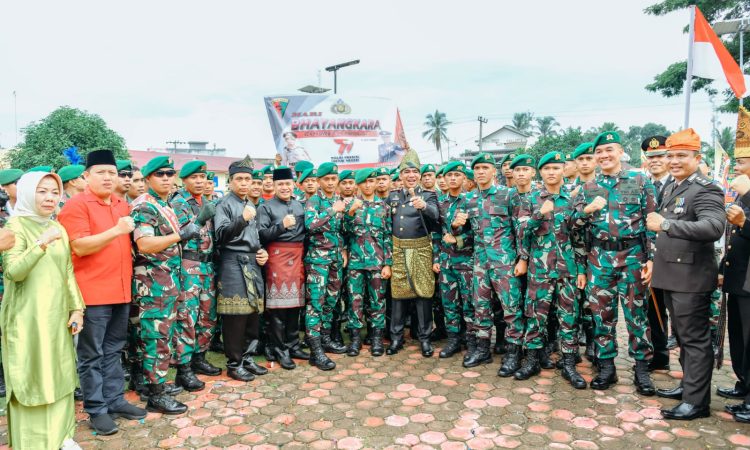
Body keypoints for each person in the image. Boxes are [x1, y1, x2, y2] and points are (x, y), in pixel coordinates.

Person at [58, 149, 147, 436]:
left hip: (121, 291)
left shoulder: (122, 204)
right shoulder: (76, 206)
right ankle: (96, 409)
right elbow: (79, 246)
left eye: (113, 172)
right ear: (86, 176)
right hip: (92, 294)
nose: (108, 178)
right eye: (101, 172)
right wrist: (116, 230)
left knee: (113, 350)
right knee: (91, 354)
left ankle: (115, 400)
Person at [1, 171, 85, 450]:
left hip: (56, 315)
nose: (50, 198)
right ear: (27, 193)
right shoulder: (16, 226)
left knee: (60, 372)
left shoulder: (57, 227)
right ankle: (33, 442)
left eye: (54, 191)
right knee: (32, 374)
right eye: (42, 191)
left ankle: (62, 435)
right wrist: (41, 243)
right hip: (27, 317)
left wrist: (76, 308)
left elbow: (68, 272)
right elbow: (14, 272)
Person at [647, 128, 726, 420]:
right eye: (671, 155)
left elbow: (712, 228)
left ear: (697, 157)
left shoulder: (705, 188)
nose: (674, 161)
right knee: (682, 337)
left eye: (681, 155)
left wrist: (666, 225)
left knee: (694, 341)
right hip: (671, 276)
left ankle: (697, 403)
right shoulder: (673, 185)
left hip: (691, 279)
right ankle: (689, 387)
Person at [579, 131, 656, 395]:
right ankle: (607, 367)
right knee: (602, 315)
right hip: (600, 259)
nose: (604, 156)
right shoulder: (588, 187)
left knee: (637, 315)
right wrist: (583, 212)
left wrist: (652, 259)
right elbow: (574, 225)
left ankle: (642, 369)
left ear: (621, 151)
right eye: (599, 152)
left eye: (609, 150)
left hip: (633, 257)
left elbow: (651, 221)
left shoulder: (638, 180)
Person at [516, 151, 587, 387]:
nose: (552, 172)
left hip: (567, 268)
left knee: (569, 317)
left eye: (556, 168)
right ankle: (532, 360)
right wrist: (539, 214)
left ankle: (568, 364)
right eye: (547, 169)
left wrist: (581, 270)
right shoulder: (531, 199)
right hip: (540, 269)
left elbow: (579, 237)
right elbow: (522, 232)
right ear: (541, 172)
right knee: (535, 316)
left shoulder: (573, 199)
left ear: (563, 170)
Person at [131, 155, 195, 414]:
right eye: (160, 174)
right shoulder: (145, 206)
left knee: (166, 335)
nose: (167, 178)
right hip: (154, 283)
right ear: (147, 179)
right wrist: (179, 236)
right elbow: (144, 244)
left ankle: (157, 384)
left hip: (168, 281)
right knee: (156, 337)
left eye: (170, 173)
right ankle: (155, 394)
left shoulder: (163, 203)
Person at [458, 153, 525, 373]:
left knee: (511, 308)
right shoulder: (469, 199)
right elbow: (465, 232)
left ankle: (513, 353)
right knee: (481, 307)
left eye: (485, 167)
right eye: (477, 168)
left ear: (493, 171)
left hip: (504, 261)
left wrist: (522, 257)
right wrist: (456, 227)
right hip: (480, 261)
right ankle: (482, 349)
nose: (480, 172)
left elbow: (519, 229)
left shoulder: (508, 195)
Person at [214, 157, 270, 381]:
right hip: (232, 262)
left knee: (253, 313)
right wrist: (242, 219)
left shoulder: (251, 204)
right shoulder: (225, 204)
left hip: (252, 262)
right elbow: (221, 236)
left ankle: (247, 358)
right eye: (239, 179)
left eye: (248, 178)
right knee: (235, 316)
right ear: (230, 182)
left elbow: (253, 237)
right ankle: (234, 363)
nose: (244, 182)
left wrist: (262, 251)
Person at [170, 161, 224, 383]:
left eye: (203, 178)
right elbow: (180, 234)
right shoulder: (179, 202)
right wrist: (200, 218)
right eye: (194, 178)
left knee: (207, 315)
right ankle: (184, 369)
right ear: (184, 181)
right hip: (189, 266)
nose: (200, 182)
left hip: (207, 266)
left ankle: (199, 358)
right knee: (187, 317)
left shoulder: (208, 201)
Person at [385, 150, 439, 357]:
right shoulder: (393, 197)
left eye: (414, 172)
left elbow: (437, 218)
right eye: (406, 172)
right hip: (398, 249)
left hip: (421, 249)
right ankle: (396, 338)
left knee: (423, 295)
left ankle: (424, 338)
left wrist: (424, 206)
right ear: (400, 175)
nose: (410, 175)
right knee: (398, 295)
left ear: (419, 175)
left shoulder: (428, 195)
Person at [257, 166, 308, 369]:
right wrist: (281, 226)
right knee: (278, 309)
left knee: (295, 305)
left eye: (288, 183)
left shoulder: (300, 205)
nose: (285, 187)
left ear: (293, 184)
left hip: (297, 257)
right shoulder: (266, 207)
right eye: (281, 184)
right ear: (274, 186)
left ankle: (293, 344)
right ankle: (280, 350)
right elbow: (261, 234)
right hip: (277, 257)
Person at [304, 162, 348, 370]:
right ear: (319, 181)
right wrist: (332, 210)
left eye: (333, 178)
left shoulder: (338, 199)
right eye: (327, 179)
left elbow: (340, 231)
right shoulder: (315, 200)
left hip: (336, 259)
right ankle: (315, 351)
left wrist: (344, 250)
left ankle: (326, 339)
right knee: (316, 304)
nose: (331, 182)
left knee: (331, 301)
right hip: (318, 261)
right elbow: (310, 226)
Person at [720, 110, 750, 421]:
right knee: (740, 337)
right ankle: (744, 383)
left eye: (742, 161)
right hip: (739, 277)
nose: (737, 167)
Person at [343, 168, 392, 357]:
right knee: (355, 302)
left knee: (377, 302)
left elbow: (388, 236)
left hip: (377, 263)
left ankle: (376, 339)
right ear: (359, 185)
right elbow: (343, 232)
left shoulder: (384, 207)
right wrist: (350, 214)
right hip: (355, 263)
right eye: (364, 182)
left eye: (372, 181)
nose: (369, 185)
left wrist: (388, 263)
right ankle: (355, 340)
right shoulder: (351, 205)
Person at [435, 161, 474, 361]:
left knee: (469, 302)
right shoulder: (440, 203)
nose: (451, 178)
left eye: (456, 175)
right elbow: (436, 233)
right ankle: (453, 339)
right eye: (448, 175)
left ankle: (472, 340)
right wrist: (436, 256)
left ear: (464, 179)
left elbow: (480, 231)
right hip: (446, 261)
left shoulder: (470, 202)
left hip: (466, 261)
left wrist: (458, 238)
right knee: (448, 302)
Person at [642, 136, 673, 372]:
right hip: (649, 258)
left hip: (676, 259)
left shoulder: (679, 183)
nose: (655, 161)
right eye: (651, 157)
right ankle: (659, 353)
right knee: (652, 308)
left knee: (679, 311)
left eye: (660, 156)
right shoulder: (643, 185)